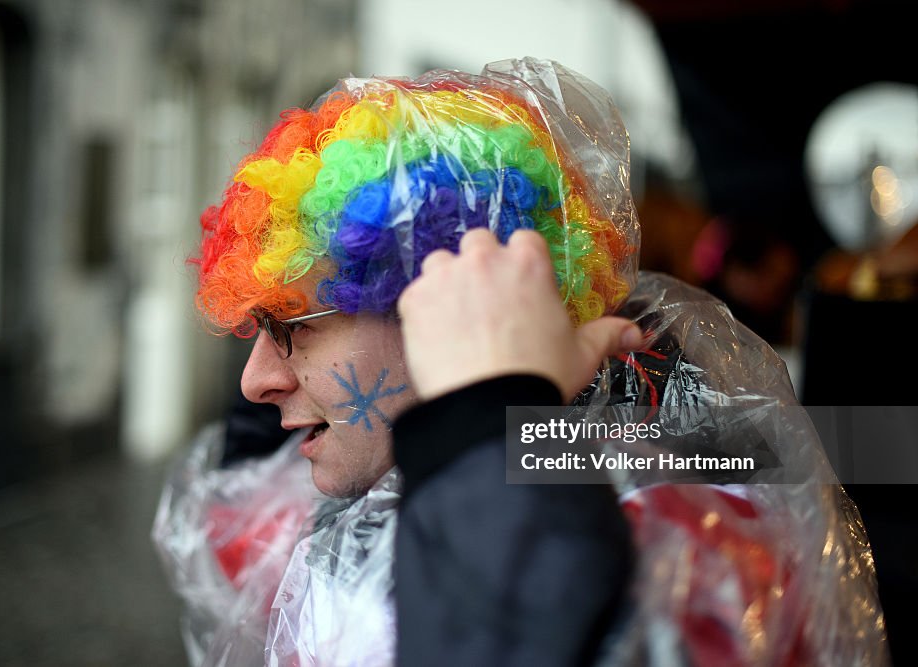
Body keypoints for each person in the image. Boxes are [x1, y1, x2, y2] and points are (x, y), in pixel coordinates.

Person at [154, 58, 887, 666]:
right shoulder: (388, 509)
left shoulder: (679, 528)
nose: (254, 380)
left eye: (291, 327)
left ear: (443, 296)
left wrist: (479, 424)